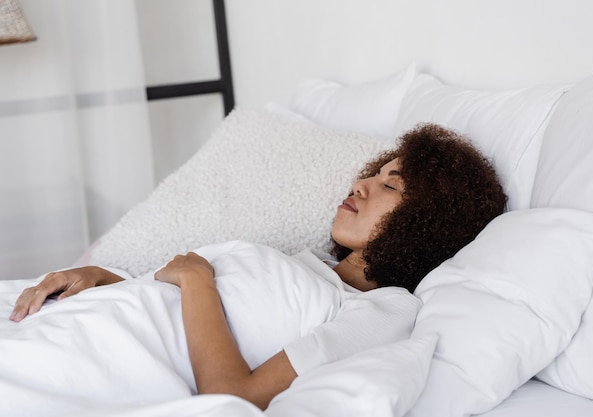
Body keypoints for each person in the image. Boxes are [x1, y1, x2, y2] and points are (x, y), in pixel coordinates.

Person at [7, 123, 507, 410]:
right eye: (372, 174)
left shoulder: (385, 308)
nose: (361, 185)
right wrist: (102, 279)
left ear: (429, 222)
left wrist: (197, 278)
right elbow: (172, 311)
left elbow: (233, 396)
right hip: (64, 327)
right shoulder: (304, 264)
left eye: (390, 186)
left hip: (83, 369)